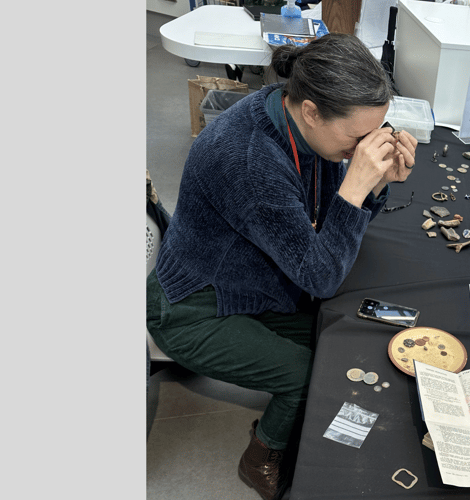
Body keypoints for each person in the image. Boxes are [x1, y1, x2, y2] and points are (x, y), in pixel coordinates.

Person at [146, 33, 417, 500]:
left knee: (346, 340)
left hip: (256, 284)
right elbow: (321, 276)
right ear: (311, 110)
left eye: (377, 131)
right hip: (194, 307)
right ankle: (261, 456)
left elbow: (323, 224)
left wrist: (373, 187)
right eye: (357, 138)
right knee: (315, 370)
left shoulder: (302, 123)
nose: (364, 149)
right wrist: (355, 190)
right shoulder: (249, 159)